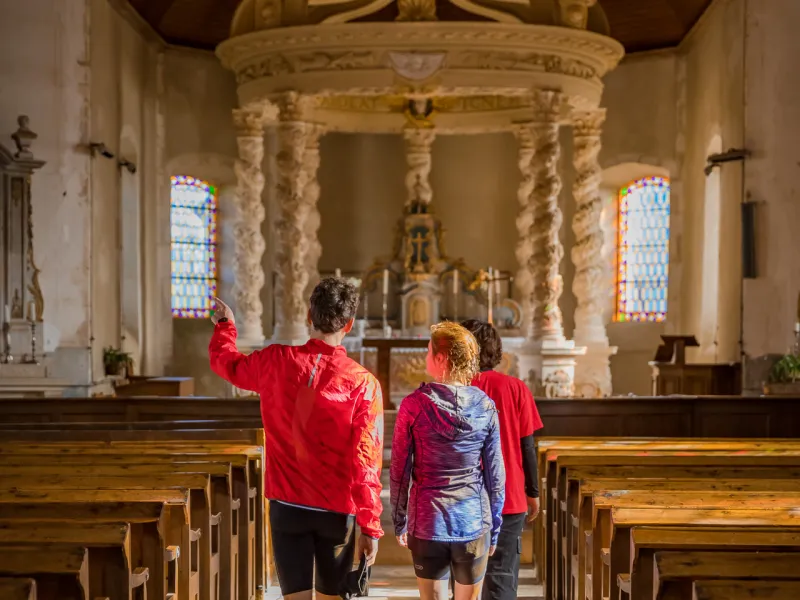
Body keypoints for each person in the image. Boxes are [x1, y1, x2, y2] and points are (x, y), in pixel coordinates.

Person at [208, 278, 384, 600]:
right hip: (336, 512)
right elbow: (366, 460)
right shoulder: (363, 384)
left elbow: (228, 364)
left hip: (287, 505)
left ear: (308, 315)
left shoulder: (275, 361)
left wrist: (225, 327)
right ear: (349, 324)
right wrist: (370, 524)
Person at [390, 321, 506, 600]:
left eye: (429, 352)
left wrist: (399, 520)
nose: (426, 357)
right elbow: (495, 474)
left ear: (441, 358)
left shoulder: (413, 405)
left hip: (428, 520)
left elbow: (399, 470)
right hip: (473, 520)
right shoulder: (485, 405)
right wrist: (496, 526)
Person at [461, 319, 544, 600]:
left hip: (461, 497)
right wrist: (532, 492)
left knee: (464, 578)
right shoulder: (516, 388)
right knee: (502, 576)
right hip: (508, 497)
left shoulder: (454, 388)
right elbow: (527, 446)